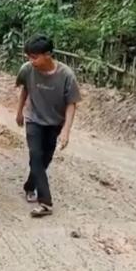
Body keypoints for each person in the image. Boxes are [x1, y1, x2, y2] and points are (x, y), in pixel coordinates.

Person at [15, 34, 82, 218]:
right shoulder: (27, 69)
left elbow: (71, 103)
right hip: (34, 118)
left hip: (55, 122)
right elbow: (25, 88)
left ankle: (30, 185)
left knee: (44, 160)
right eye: (29, 56)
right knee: (35, 155)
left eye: (35, 57)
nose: (31, 61)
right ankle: (45, 202)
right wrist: (20, 111)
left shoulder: (66, 75)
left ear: (48, 55)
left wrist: (66, 131)